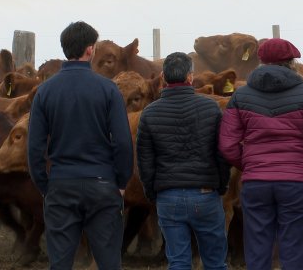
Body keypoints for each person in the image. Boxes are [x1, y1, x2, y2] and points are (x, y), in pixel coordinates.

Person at [218, 38, 303, 270]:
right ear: (291, 62)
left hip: (256, 183)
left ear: (260, 62)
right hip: (297, 184)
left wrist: (250, 163)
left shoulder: (240, 96)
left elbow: (227, 144)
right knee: (295, 250)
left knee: (258, 250)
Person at [27, 21, 133, 270]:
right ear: (89, 49)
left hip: (61, 184)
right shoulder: (108, 89)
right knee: (108, 262)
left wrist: (45, 185)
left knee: (60, 263)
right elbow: (122, 142)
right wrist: (120, 182)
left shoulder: (45, 91)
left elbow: (34, 149)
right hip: (102, 183)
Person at [136, 52, 230, 270]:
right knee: (216, 263)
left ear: (163, 77)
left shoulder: (149, 113)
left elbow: (145, 160)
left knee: (178, 262)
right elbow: (222, 153)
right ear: (190, 76)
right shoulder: (210, 108)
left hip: (169, 196)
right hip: (206, 193)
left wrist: (152, 192)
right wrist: (221, 186)